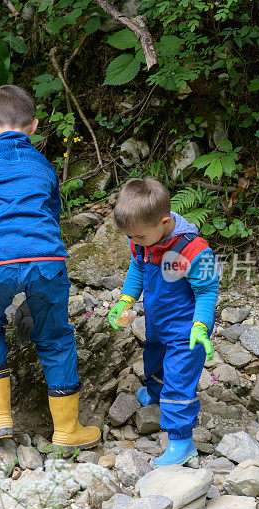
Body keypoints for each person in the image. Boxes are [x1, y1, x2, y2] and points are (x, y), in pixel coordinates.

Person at [0, 85, 100, 452]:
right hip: (47, 261)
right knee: (55, 335)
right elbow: (52, 215)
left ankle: (0, 417)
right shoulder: (43, 165)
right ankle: (67, 429)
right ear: (33, 126)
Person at [107, 177, 220, 466]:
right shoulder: (143, 241)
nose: (135, 242)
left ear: (165, 221)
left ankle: (182, 441)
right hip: (158, 321)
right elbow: (137, 269)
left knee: (179, 380)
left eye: (140, 236)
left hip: (188, 329)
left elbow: (207, 291)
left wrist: (201, 326)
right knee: (154, 358)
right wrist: (125, 299)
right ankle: (156, 392)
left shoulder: (194, 250)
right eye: (130, 237)